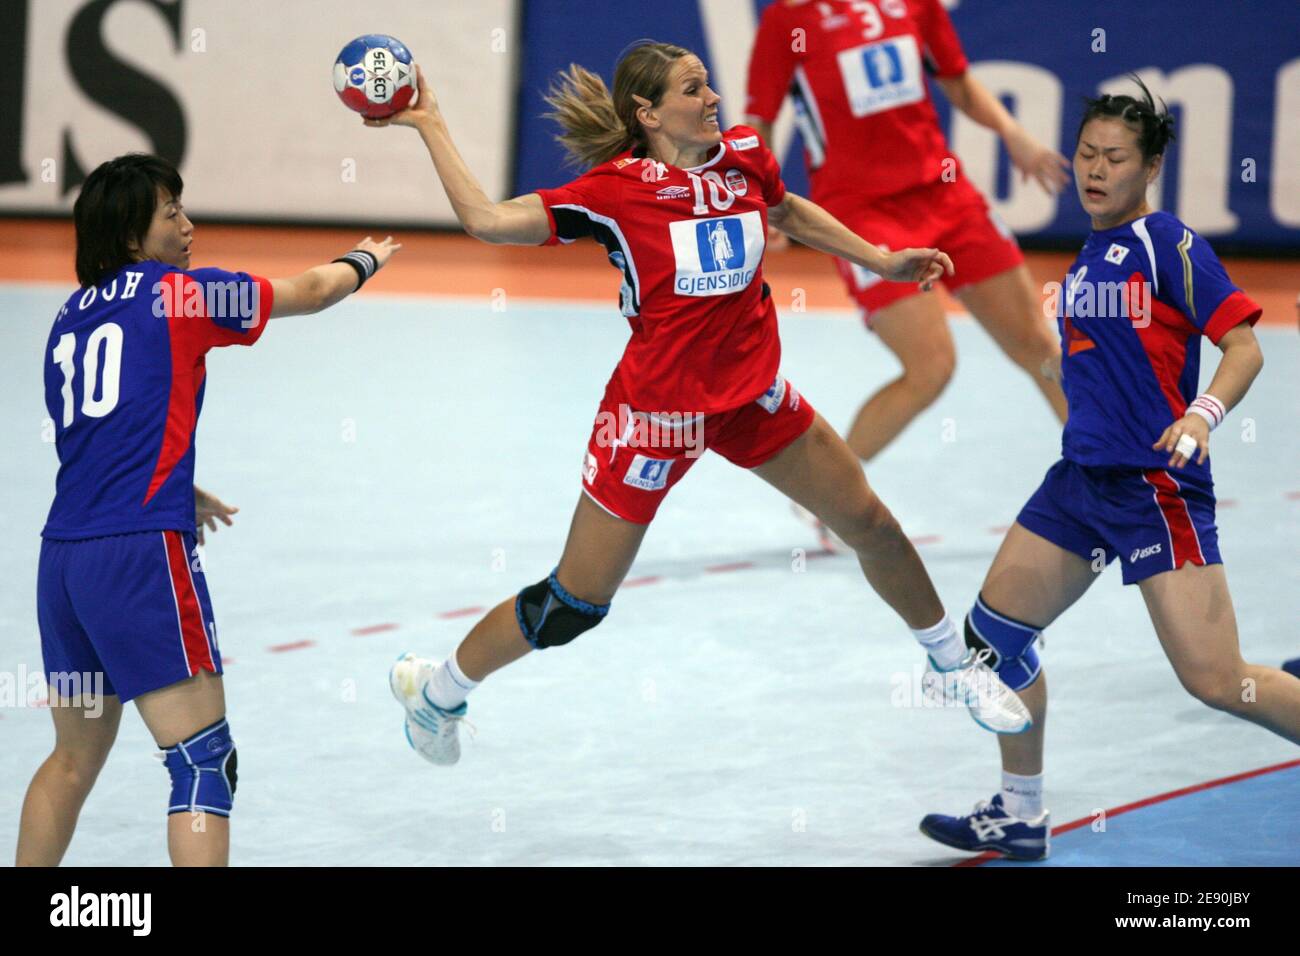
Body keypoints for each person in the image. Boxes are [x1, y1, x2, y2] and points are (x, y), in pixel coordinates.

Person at [367, 42, 1033, 770]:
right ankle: (437, 693)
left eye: (708, 85)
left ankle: (953, 667)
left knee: (871, 523)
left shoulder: (744, 152)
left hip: (753, 396)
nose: (714, 98)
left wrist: (880, 257)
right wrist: (430, 123)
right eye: (694, 89)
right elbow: (488, 223)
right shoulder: (613, 193)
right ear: (648, 114)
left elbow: (787, 210)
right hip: (656, 418)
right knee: (573, 605)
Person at [917, 79, 1300, 862]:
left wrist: (1202, 415)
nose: (1095, 170)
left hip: (1154, 488)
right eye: (1087, 154)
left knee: (1220, 681)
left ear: (1150, 166)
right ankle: (1021, 813)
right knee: (993, 639)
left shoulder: (1170, 243)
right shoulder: (1090, 252)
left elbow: (1245, 346)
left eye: (1115, 157)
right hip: (1079, 484)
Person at [15, 153, 399, 866]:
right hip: (140, 556)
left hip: (64, 561)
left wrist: (177, 483)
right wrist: (364, 259)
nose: (189, 226)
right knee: (201, 763)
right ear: (134, 234)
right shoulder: (179, 295)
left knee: (70, 761)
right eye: (172, 214)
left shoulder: (68, 319)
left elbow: (95, 433)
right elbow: (312, 291)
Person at [744, 0, 1069, 469]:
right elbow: (761, 119)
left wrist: (1012, 132)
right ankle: (834, 492)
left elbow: (956, 80)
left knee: (1038, 345)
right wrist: (761, 201)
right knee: (931, 367)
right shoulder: (788, 19)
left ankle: (1107, 477)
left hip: (945, 195)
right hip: (863, 213)